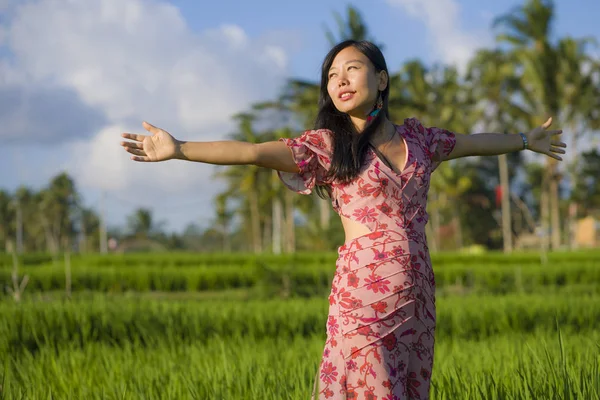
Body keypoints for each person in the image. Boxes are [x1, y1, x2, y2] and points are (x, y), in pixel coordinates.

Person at [120, 40, 566, 399]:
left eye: (351, 68)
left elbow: (472, 142)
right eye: (332, 75)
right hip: (362, 301)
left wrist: (526, 140)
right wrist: (180, 148)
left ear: (382, 78)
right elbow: (253, 154)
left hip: (418, 301)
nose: (340, 80)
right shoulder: (327, 145)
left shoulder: (422, 140)